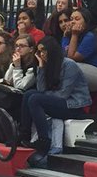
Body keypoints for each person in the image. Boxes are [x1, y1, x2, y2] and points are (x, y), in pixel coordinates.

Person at [23, 37, 92, 167]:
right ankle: (24, 135)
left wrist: (44, 95)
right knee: (29, 94)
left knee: (35, 98)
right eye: (39, 51)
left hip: (74, 105)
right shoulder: (47, 65)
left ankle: (44, 141)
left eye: (44, 50)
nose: (41, 54)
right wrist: (41, 67)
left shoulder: (69, 65)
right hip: (60, 102)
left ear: (52, 50)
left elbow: (63, 94)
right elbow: (41, 89)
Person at [64, 8, 97, 91]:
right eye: (71, 19)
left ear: (86, 22)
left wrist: (74, 34)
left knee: (72, 67)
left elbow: (72, 58)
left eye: (77, 19)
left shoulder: (91, 36)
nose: (73, 22)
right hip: (91, 73)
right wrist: (66, 36)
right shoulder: (75, 36)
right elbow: (64, 54)